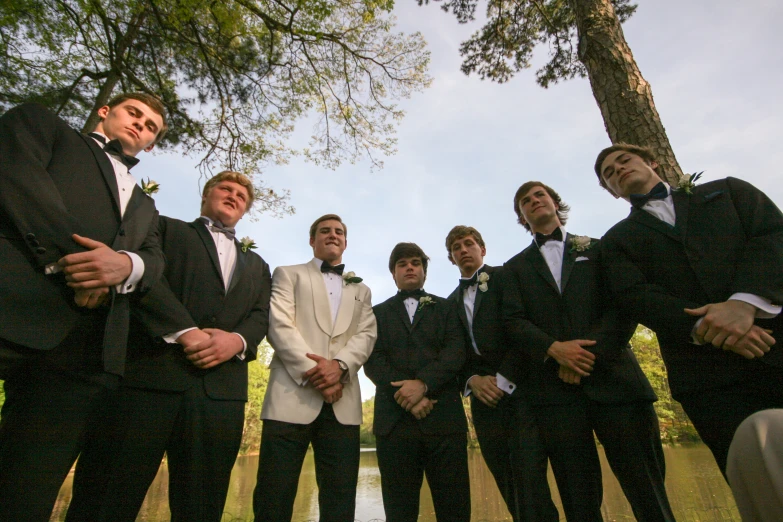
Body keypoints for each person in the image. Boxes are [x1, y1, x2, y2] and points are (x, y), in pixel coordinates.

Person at [65, 171, 272, 521]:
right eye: (226, 188)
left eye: (242, 195)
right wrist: (185, 330)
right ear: (206, 195)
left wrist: (235, 340)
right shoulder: (164, 228)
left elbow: (260, 315)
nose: (234, 195)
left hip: (220, 396)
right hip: (148, 380)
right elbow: (146, 277)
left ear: (245, 210)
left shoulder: (258, 264)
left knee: (202, 507)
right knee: (107, 496)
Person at [0, 93, 168, 521]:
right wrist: (81, 268)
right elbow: (16, 179)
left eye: (150, 127)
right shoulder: (45, 127)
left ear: (150, 145)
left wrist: (125, 265)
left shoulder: (147, 206)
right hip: (15, 307)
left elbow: (153, 261)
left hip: (89, 350)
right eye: (135, 113)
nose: (140, 125)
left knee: (28, 486)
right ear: (105, 111)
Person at [595, 143, 783, 476]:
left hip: (773, 341)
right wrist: (708, 326)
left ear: (652, 162)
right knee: (754, 479)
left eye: (624, 160)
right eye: (609, 173)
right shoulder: (615, 241)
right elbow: (634, 295)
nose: (618, 169)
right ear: (610, 192)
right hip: (706, 377)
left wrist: (744, 303)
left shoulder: (729, 191)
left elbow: (772, 237)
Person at [503, 181, 675, 521]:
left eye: (540, 195)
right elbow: (513, 321)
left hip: (617, 383)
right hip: (556, 395)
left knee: (647, 488)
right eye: (525, 201)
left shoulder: (600, 249)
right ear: (522, 216)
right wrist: (553, 349)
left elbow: (623, 305)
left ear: (555, 202)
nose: (534, 201)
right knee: (578, 498)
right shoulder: (513, 269)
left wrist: (584, 356)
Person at [253, 214, 377, 522]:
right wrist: (321, 374)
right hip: (290, 396)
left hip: (342, 401)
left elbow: (367, 334)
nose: (333, 235)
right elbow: (279, 325)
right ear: (312, 240)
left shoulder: (362, 289)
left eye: (339, 232)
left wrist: (340, 367)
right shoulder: (287, 274)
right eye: (325, 231)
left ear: (345, 242)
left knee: (339, 500)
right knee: (274, 496)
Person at [445, 225, 558, 522]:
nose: (463, 250)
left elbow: (522, 328)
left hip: (522, 392)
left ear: (482, 249)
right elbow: (454, 354)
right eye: (457, 247)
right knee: (505, 480)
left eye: (469, 244)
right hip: (483, 401)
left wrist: (503, 379)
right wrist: (471, 381)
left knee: (531, 479)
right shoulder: (448, 304)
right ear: (451, 258)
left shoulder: (507, 277)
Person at [365, 242, 470, 522]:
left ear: (424, 271)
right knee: (399, 512)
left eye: (415, 263)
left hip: (444, 422)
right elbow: (373, 359)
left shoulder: (448, 308)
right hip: (394, 425)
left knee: (455, 510)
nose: (409, 267)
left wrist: (423, 384)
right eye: (402, 264)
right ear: (393, 273)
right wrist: (407, 396)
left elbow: (456, 351)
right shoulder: (375, 313)